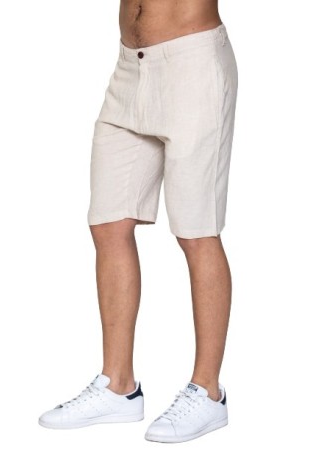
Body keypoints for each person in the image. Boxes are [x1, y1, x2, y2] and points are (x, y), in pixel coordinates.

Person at [39, 0, 238, 443]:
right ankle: (118, 386)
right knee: (108, 222)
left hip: (192, 63)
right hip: (130, 67)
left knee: (197, 231)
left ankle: (208, 392)